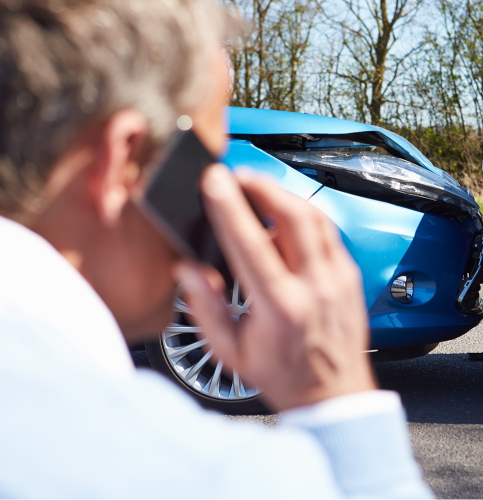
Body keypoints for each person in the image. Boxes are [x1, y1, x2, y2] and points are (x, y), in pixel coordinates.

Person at [0, 0, 434, 498]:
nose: (209, 201)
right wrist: (338, 401)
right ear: (124, 162)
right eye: (203, 163)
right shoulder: (180, 469)